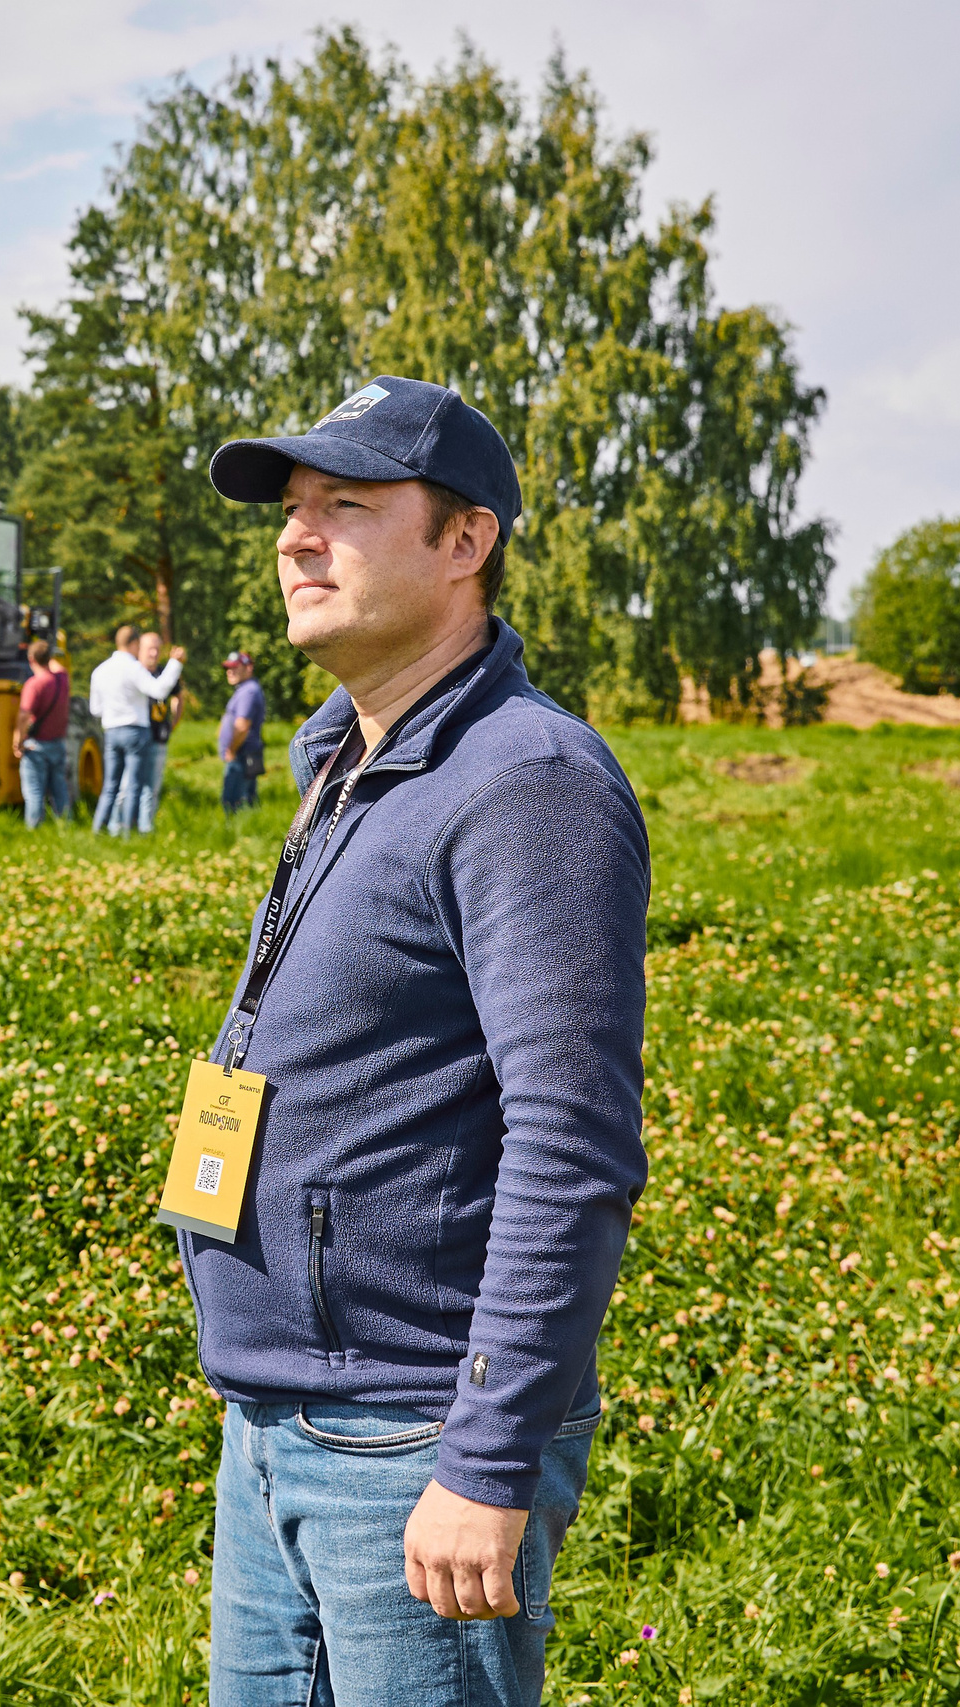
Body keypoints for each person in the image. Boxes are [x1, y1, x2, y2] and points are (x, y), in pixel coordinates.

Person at [187, 376, 649, 1707]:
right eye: (292, 508)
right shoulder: (350, 756)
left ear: (465, 541)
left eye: (345, 504)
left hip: (408, 1436)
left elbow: (572, 1143)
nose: (296, 536)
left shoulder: (526, 783)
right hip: (276, 1418)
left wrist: (486, 1459)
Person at [88, 624, 184, 836]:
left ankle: (99, 830)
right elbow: (159, 690)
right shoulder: (133, 668)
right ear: (133, 644)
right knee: (133, 785)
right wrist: (175, 664)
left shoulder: (100, 670)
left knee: (110, 785)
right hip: (135, 731)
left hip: (111, 731)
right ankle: (126, 833)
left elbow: (95, 709)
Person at [12, 638, 73, 828]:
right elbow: (56, 666)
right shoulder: (62, 679)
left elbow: (24, 715)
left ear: (31, 659)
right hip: (58, 744)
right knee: (59, 789)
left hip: (36, 746)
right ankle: (66, 826)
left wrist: (17, 740)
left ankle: (34, 830)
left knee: (34, 792)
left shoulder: (34, 684)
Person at [134, 631, 180, 834]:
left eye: (157, 649)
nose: (153, 653)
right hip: (135, 738)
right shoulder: (134, 672)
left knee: (151, 787)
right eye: (149, 649)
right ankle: (125, 824)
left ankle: (145, 829)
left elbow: (178, 696)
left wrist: (173, 723)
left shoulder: (165, 673)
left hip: (158, 737)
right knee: (130, 785)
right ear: (139, 650)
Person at [217, 651, 266, 813]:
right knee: (247, 802)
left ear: (248, 668)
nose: (229, 671)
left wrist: (231, 750)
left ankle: (236, 828)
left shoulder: (248, 692)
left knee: (232, 803)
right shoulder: (245, 689)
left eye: (235, 667)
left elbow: (242, 725)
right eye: (228, 668)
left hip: (241, 755)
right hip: (244, 753)